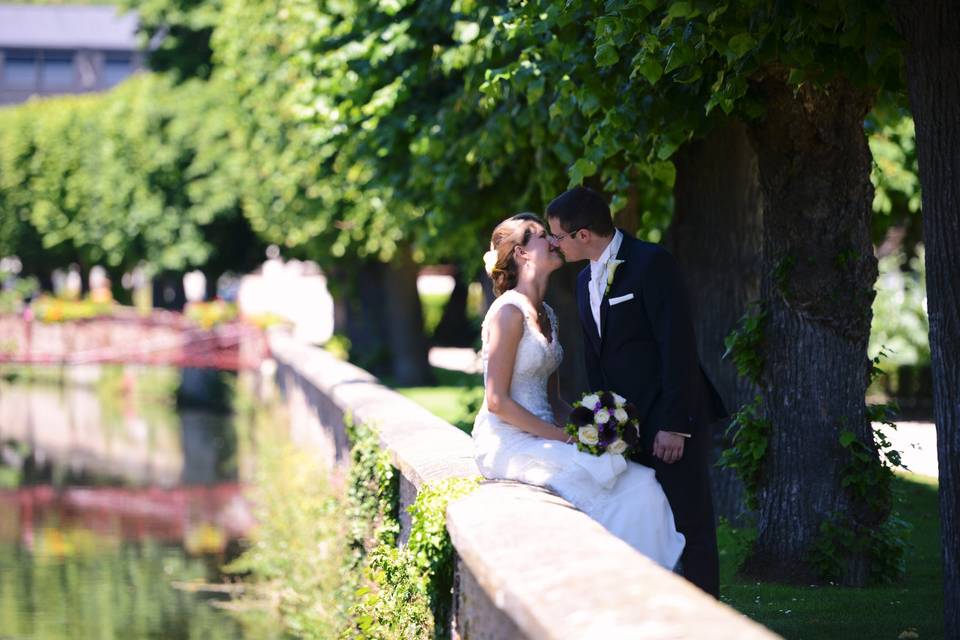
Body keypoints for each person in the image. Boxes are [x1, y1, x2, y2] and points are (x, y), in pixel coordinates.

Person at [472, 213, 685, 570]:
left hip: (546, 436)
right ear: (523, 254)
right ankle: (620, 575)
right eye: (542, 236)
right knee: (620, 485)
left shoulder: (547, 314)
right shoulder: (507, 313)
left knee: (641, 481)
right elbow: (497, 402)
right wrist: (560, 437)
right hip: (508, 441)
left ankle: (648, 579)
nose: (554, 241)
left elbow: (553, 400)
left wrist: (591, 429)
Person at [545, 187, 728, 598]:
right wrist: (606, 425)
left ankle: (709, 618)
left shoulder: (652, 264)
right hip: (625, 426)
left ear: (583, 234)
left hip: (671, 420)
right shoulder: (581, 281)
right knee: (648, 518)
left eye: (558, 236)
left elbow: (677, 347)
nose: (554, 244)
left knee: (690, 522)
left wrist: (675, 426)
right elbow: (598, 360)